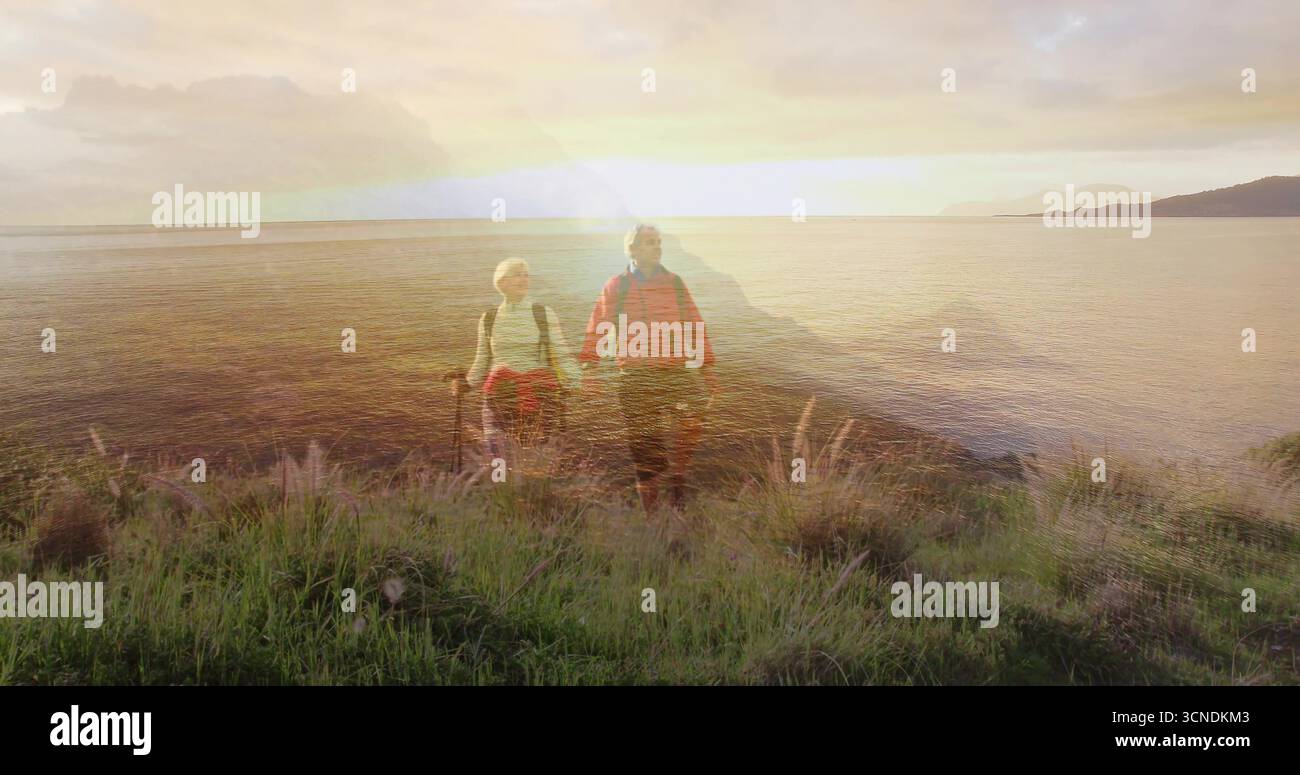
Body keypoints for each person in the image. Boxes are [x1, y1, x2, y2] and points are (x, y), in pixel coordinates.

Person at [578, 224, 718, 513]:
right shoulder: (617, 285)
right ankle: (651, 516)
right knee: (646, 452)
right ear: (632, 249)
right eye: (650, 242)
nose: (657, 247)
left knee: (692, 418)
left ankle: (677, 475)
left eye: (658, 242)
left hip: (675, 373)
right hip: (636, 377)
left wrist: (707, 371)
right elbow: (599, 327)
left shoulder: (675, 283)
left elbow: (695, 324)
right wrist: (590, 371)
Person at [451, 257, 580, 456]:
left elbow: (562, 352)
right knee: (497, 451)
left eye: (526, 275)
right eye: (517, 275)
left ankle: (532, 487)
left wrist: (576, 381)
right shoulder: (489, 318)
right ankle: (501, 485)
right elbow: (482, 360)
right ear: (501, 282)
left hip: (538, 395)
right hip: (499, 394)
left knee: (537, 454)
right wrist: (466, 384)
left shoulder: (543, 314)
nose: (523, 279)